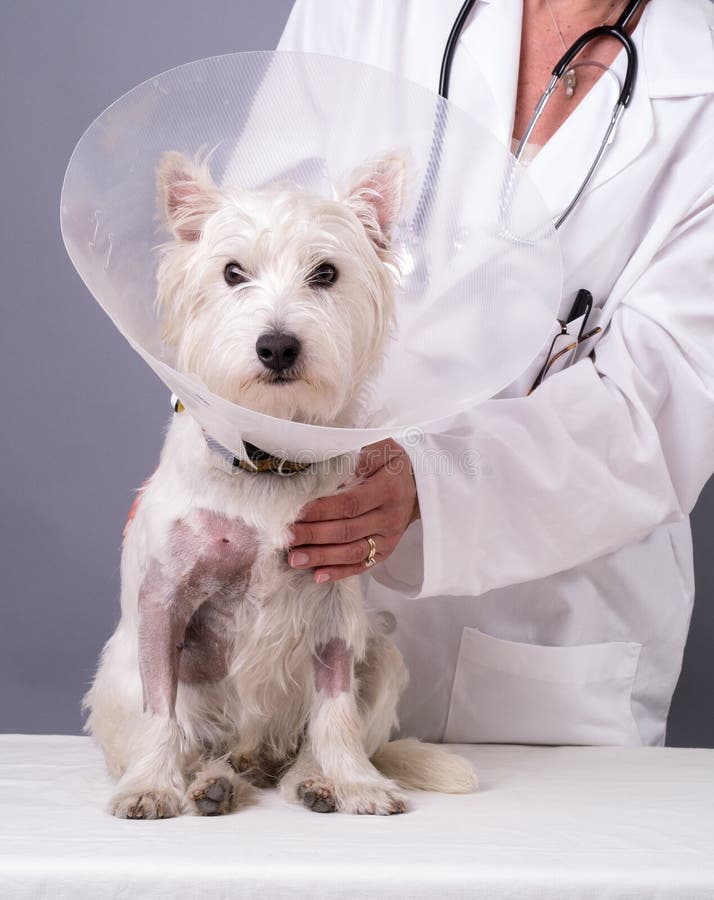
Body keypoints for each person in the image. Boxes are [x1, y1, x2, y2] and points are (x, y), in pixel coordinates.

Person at [283, 0, 714, 746]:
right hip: (295, 586)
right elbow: (247, 241)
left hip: (548, 629)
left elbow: (663, 401)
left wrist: (435, 481)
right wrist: (213, 451)